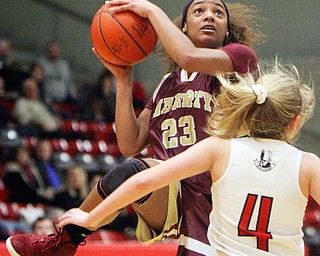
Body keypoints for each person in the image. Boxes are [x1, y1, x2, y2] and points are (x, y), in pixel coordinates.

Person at [4, 0, 265, 255]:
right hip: (169, 191)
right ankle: (63, 241)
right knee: (130, 170)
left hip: (218, 190)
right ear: (183, 27)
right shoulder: (167, 84)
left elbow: (187, 56)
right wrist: (123, 79)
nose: (209, 16)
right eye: (199, 11)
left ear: (228, 30)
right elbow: (130, 144)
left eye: (218, 13)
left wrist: (150, 10)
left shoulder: (240, 61)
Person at [46, 62, 318, 255]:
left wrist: (92, 217)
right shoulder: (308, 164)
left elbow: (142, 182)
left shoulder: (219, 149)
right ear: (295, 122)